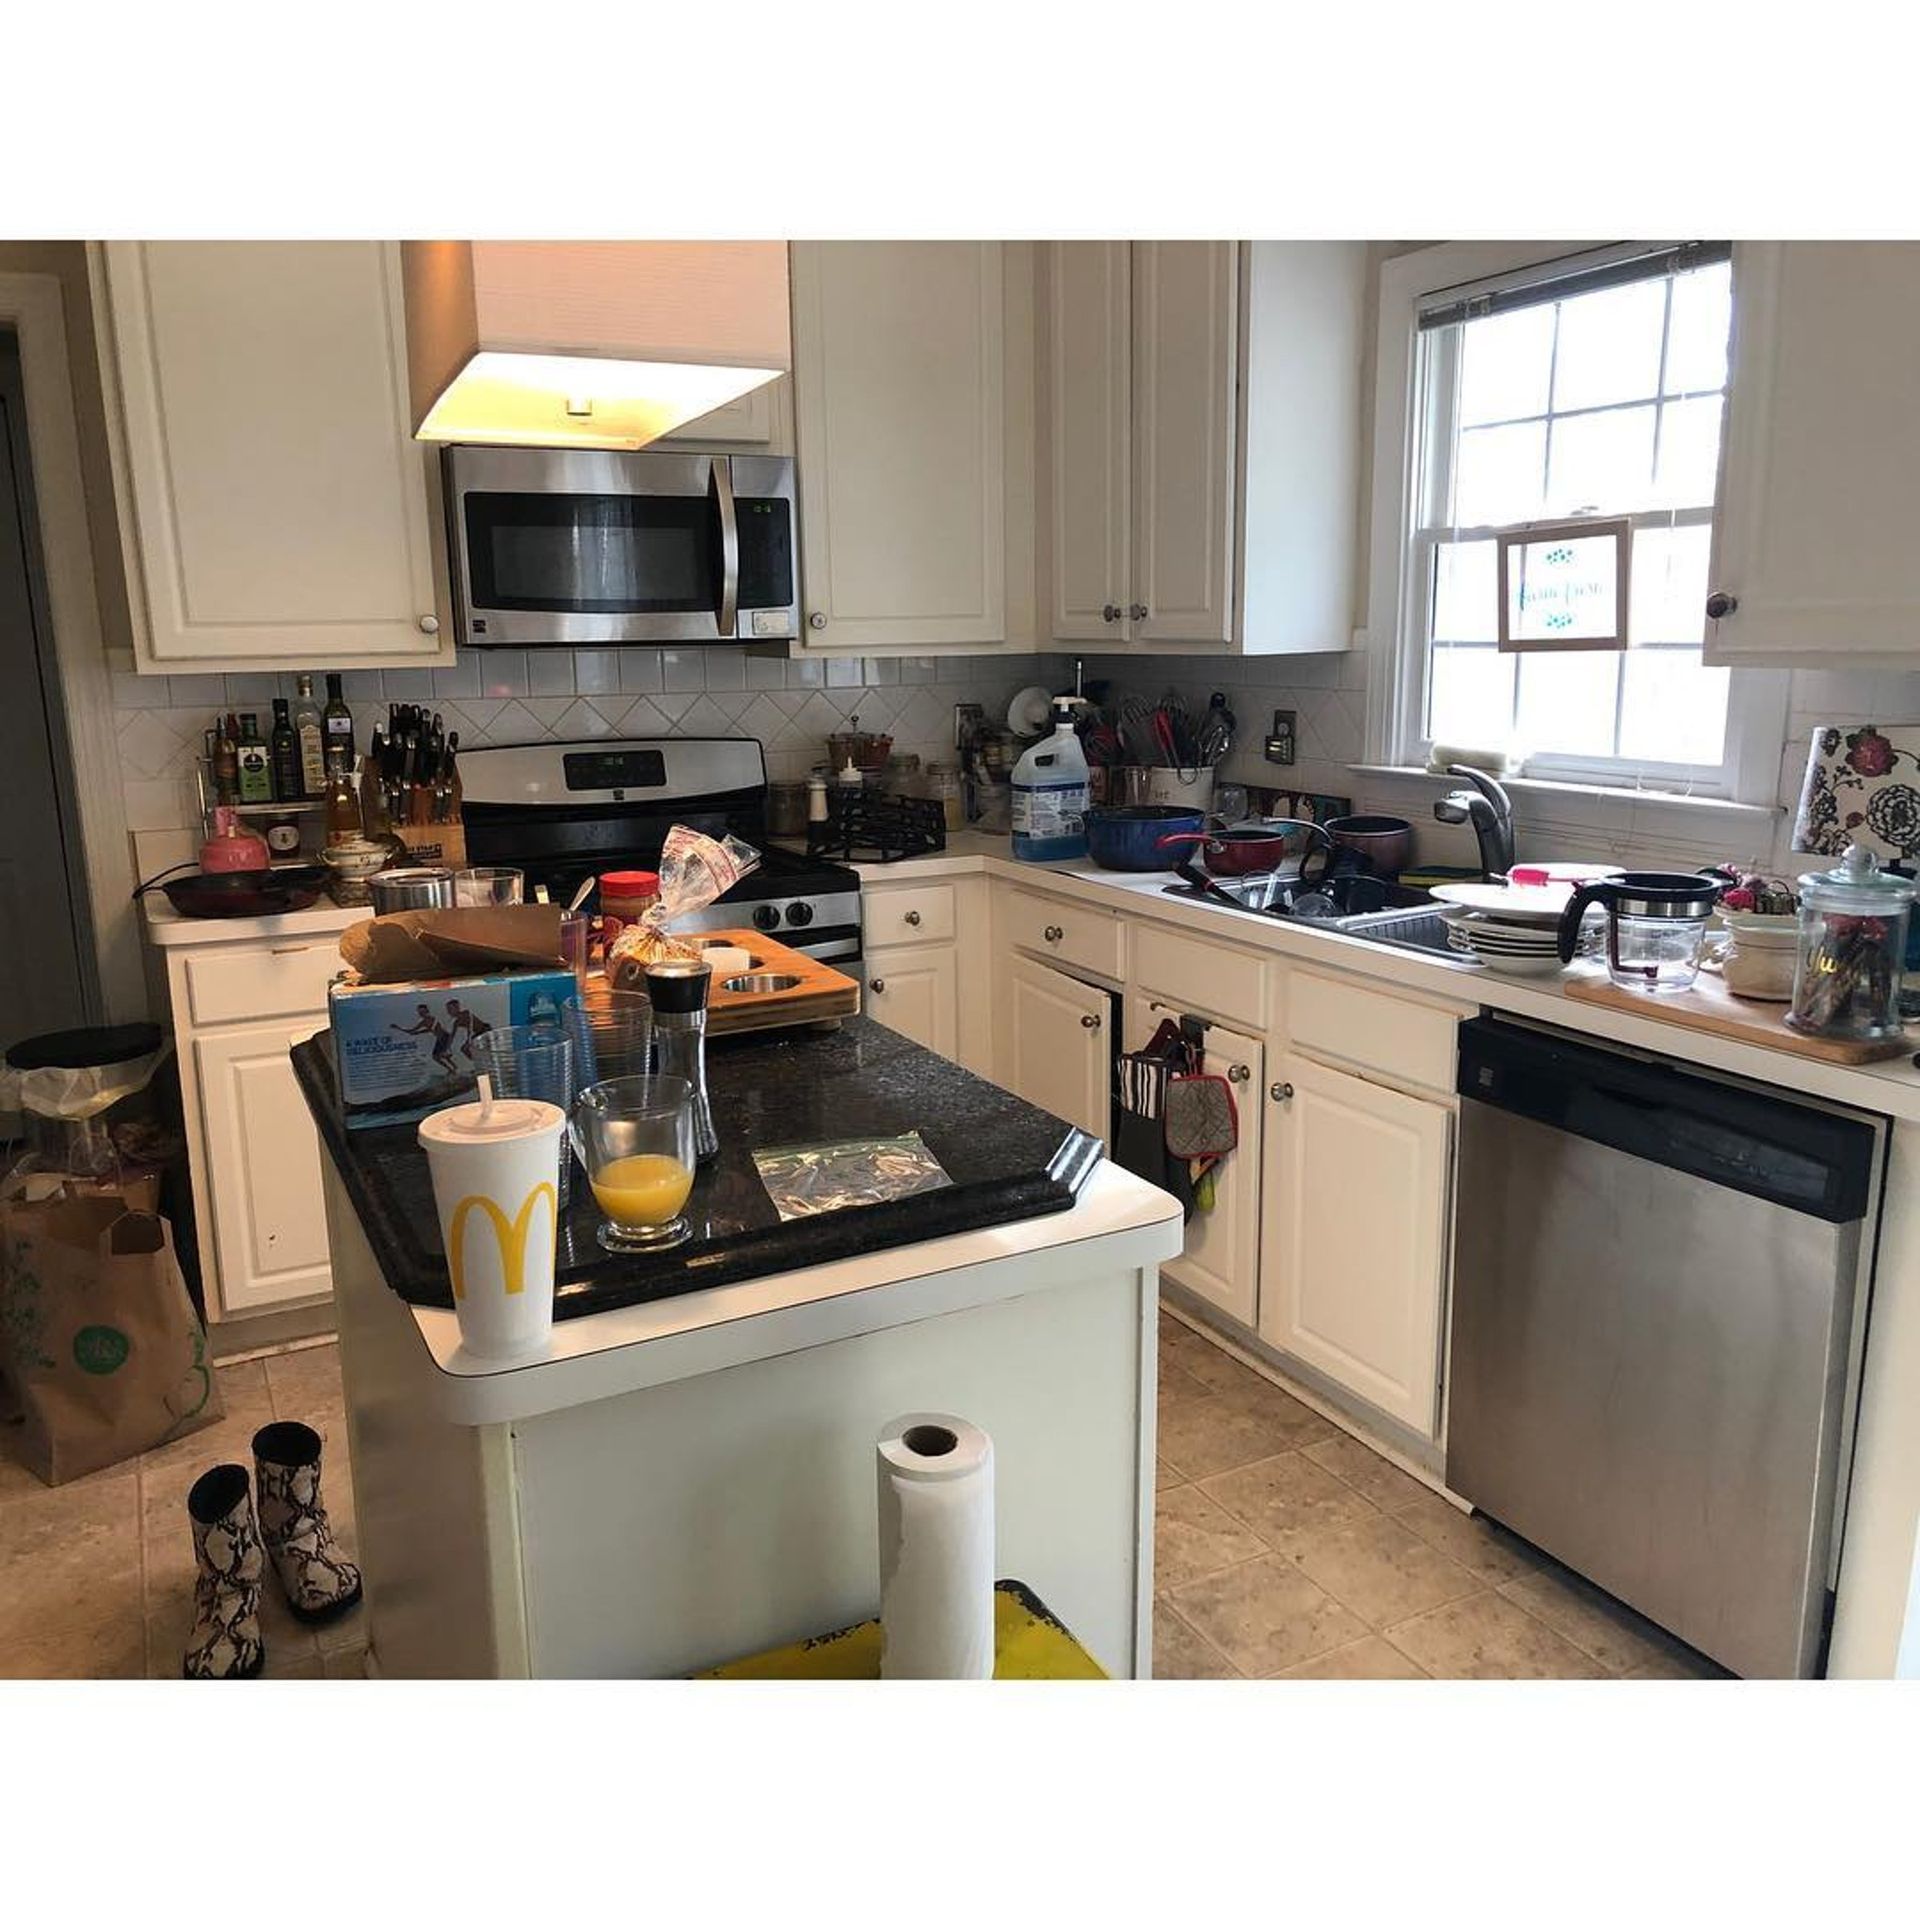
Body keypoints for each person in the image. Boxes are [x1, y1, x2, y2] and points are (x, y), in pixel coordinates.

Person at [390, 1003, 458, 1077]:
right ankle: (453, 1068)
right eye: (420, 1012)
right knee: (439, 1056)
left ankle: (452, 1069)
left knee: (438, 1056)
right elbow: (415, 1031)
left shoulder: (432, 1019)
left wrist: (399, 1028)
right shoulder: (424, 1022)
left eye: (422, 1012)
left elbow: (432, 1029)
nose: (421, 1013)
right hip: (441, 1038)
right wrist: (400, 1028)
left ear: (426, 1011)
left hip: (444, 1037)